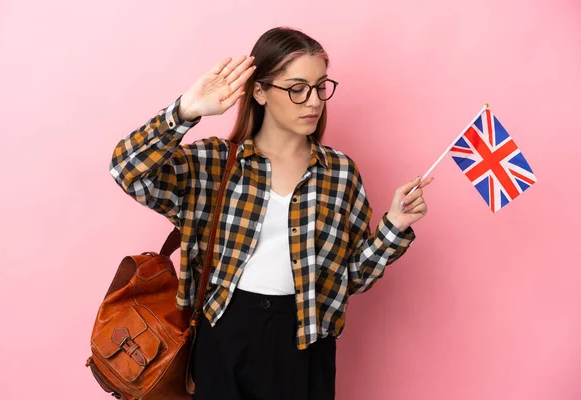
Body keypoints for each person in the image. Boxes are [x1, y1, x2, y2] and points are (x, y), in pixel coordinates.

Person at [109, 26, 432, 400]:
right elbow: (127, 171)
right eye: (297, 89)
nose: (313, 101)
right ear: (259, 91)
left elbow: (350, 279)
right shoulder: (214, 164)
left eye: (320, 87)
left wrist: (393, 228)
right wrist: (185, 111)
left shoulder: (340, 173)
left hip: (305, 343)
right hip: (222, 335)